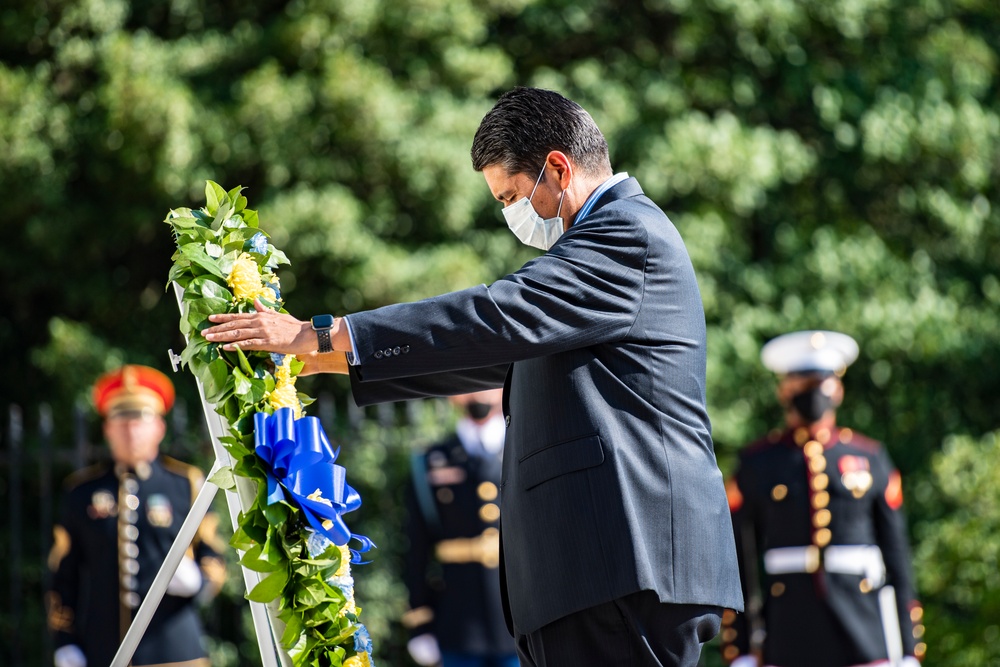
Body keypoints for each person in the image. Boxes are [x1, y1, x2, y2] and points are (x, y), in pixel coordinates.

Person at [203, 86, 743, 666]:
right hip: (601, 566)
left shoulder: (625, 233)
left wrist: (325, 334)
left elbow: (496, 316)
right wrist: (330, 358)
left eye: (512, 195)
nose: (510, 213)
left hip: (626, 561)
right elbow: (492, 356)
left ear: (557, 168)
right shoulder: (601, 253)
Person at [720, 331, 925, 667]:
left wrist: (907, 647)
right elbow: (739, 562)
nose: (813, 393)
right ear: (783, 389)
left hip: (864, 629)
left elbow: (897, 556)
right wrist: (740, 647)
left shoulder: (870, 457)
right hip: (787, 631)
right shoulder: (759, 463)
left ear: (839, 389)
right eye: (802, 383)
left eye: (823, 382)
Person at [47, 364, 226, 667]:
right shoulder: (81, 492)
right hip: (105, 651)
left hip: (177, 654)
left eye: (140, 419)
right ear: (107, 429)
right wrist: (65, 641)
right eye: (121, 419)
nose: (130, 429)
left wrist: (199, 582)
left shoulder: (187, 484)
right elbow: (63, 576)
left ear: (159, 426)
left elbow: (215, 557)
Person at [402, 389, 518, 667]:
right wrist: (421, 621)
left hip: (520, 617)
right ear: (452, 395)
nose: (479, 393)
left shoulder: (522, 449)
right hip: (458, 620)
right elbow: (417, 546)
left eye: (486, 383)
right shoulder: (431, 460)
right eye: (468, 384)